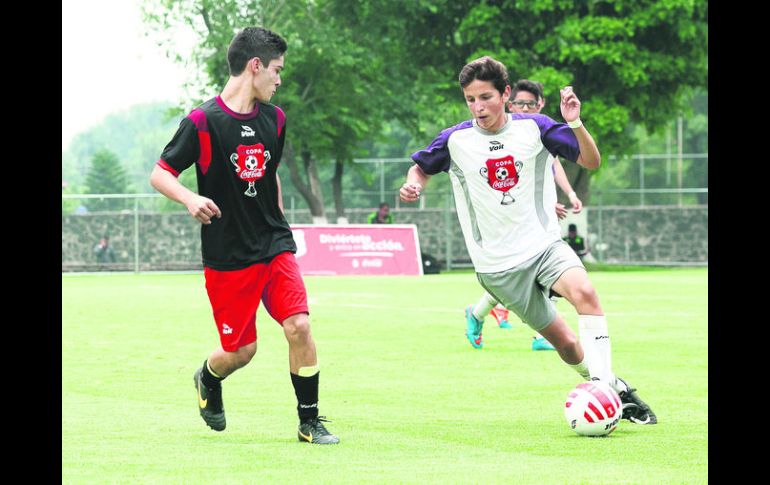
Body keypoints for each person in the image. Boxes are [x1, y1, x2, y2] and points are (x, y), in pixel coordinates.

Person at [400, 56, 656, 425]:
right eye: (470, 99)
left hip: (543, 245)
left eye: (485, 97)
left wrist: (575, 123)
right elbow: (421, 167)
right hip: (497, 268)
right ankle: (614, 386)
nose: (477, 107)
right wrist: (414, 184)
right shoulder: (456, 139)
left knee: (585, 292)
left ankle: (604, 393)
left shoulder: (535, 128)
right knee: (567, 346)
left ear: (505, 94)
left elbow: (591, 161)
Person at [149, 27, 339, 444]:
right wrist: (188, 199)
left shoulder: (276, 118)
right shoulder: (202, 121)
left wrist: (281, 228)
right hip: (228, 253)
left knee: (300, 327)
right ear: (255, 66)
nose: (279, 79)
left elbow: (269, 178)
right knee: (241, 352)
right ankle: (208, 377)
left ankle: (310, 422)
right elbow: (160, 174)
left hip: (274, 245)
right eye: (276, 70)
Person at [465, 79, 584, 351]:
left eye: (531, 103)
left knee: (550, 273)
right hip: (505, 224)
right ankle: (477, 313)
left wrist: (570, 194)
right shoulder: (495, 136)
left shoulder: (540, 131)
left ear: (541, 104)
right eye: (520, 103)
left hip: (539, 224)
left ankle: (539, 335)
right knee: (512, 279)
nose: (525, 108)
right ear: (509, 102)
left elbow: (556, 167)